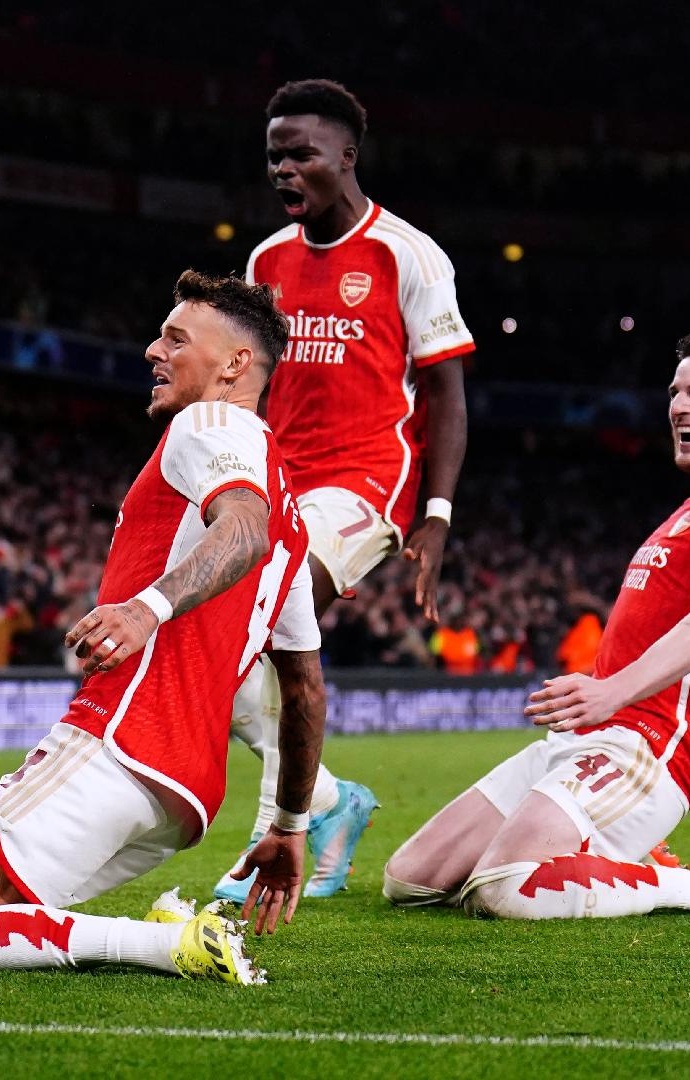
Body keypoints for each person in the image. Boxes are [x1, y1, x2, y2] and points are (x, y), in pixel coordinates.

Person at [0, 271, 326, 983]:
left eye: (175, 339)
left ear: (236, 365)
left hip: (121, 739)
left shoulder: (210, 424)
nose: (154, 350)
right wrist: (290, 826)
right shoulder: (293, 510)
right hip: (183, 793)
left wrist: (146, 608)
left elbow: (240, 530)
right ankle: (166, 929)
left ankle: (169, 945)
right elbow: (302, 690)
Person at [382, 327, 690, 921]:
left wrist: (616, 694)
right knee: (411, 881)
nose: (679, 407)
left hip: (648, 747)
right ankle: (627, 857)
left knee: (504, 889)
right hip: (586, 737)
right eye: (675, 391)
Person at [216, 78, 474, 903]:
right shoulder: (264, 262)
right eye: (274, 157)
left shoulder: (408, 253)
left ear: (347, 158)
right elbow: (241, 392)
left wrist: (434, 517)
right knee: (214, 654)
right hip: (277, 483)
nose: (284, 170)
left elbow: (446, 395)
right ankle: (328, 799)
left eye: (301, 155)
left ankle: (268, 841)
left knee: (267, 609)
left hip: (367, 484)